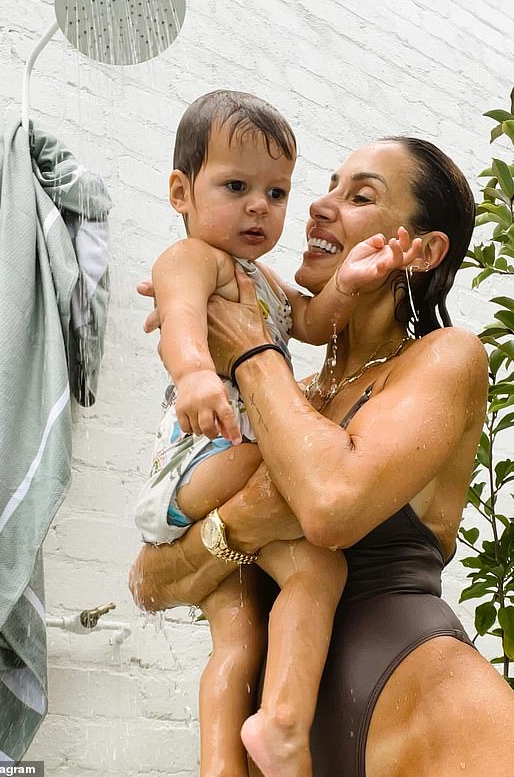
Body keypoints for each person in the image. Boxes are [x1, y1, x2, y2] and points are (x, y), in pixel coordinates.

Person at [130, 136, 514, 777]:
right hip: (287, 742)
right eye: (328, 186)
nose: (318, 206)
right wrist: (244, 522)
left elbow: (332, 505)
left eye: (360, 196)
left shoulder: (445, 357)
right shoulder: (289, 404)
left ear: (422, 251)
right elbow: (150, 581)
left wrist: (252, 353)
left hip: (422, 701)